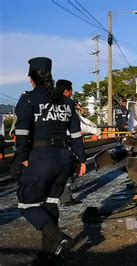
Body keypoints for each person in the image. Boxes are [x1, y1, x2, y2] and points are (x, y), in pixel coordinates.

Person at [14, 57, 86, 261]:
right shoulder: (67, 102)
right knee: (51, 204)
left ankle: (59, 237)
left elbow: (22, 132)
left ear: (32, 79)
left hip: (40, 157)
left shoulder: (28, 99)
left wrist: (22, 158)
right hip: (64, 159)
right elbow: (75, 135)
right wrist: (81, 160)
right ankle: (49, 254)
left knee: (27, 205)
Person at [56, 79, 101, 205]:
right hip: (67, 142)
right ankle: (65, 197)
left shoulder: (51, 103)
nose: (72, 93)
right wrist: (94, 131)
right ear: (66, 91)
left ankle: (57, 196)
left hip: (52, 144)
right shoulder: (67, 105)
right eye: (71, 91)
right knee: (68, 169)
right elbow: (78, 126)